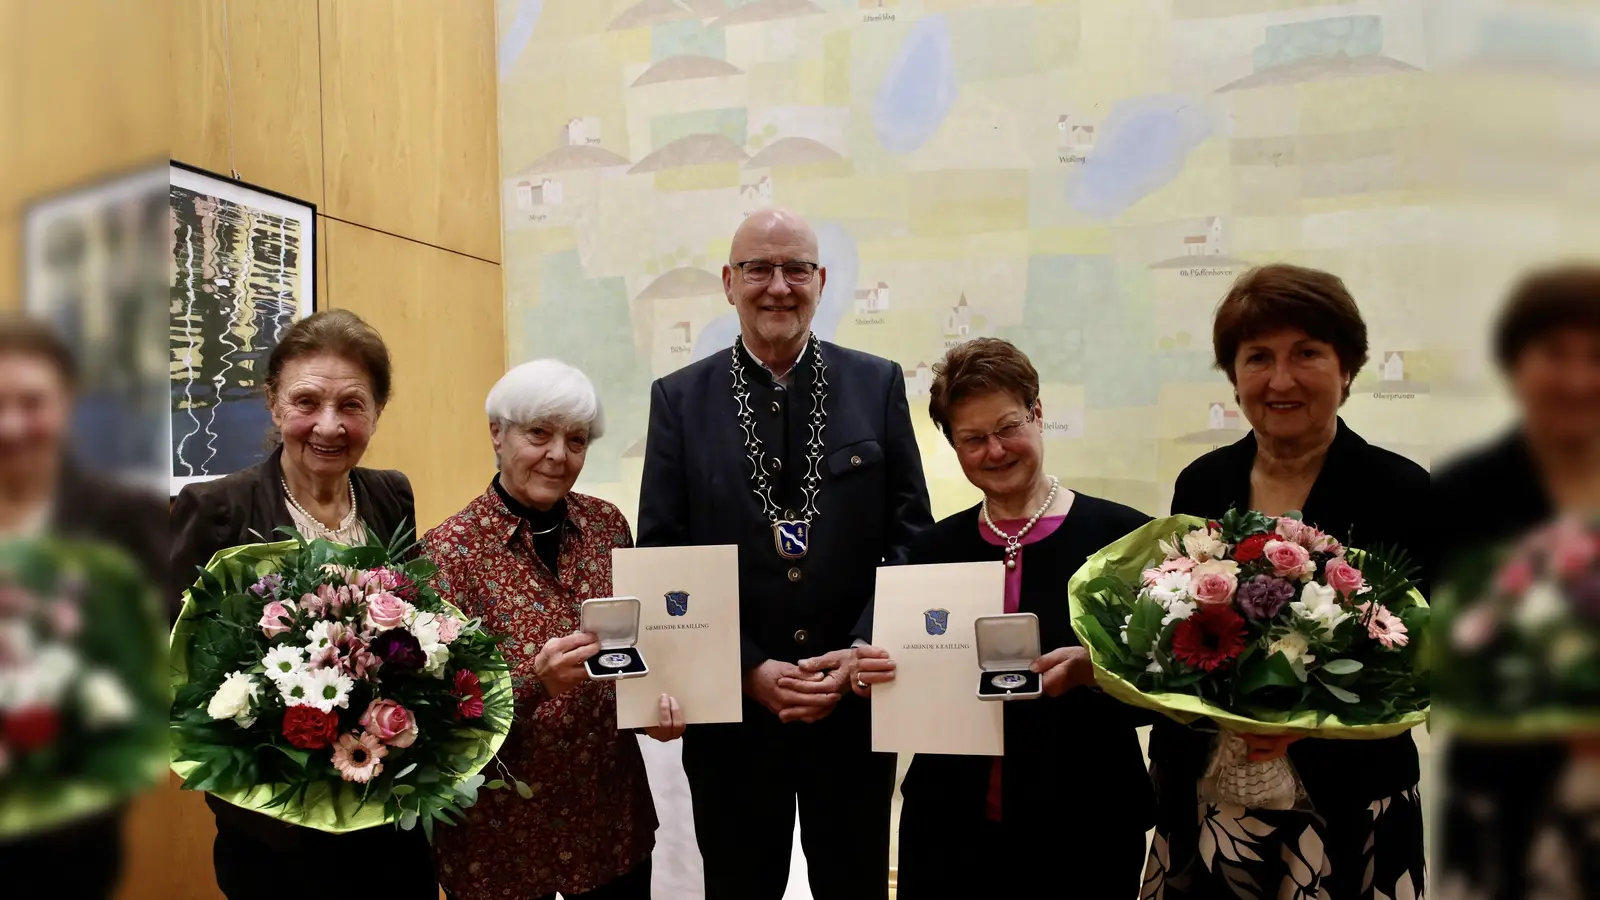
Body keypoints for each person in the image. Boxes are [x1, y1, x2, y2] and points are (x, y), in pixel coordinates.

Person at [636, 207, 933, 899]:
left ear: (820, 280)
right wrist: (745, 669)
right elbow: (664, 554)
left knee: (854, 883)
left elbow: (910, 537)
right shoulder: (679, 400)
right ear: (728, 282)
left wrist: (860, 648)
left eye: (795, 268)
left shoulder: (877, 383)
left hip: (854, 707)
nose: (778, 286)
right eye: (758, 269)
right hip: (735, 718)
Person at [1145, 264, 1429, 899]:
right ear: (1234, 375)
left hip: (1348, 799)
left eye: (1307, 353)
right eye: (1257, 357)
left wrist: (1315, 718)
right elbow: (1171, 622)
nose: (1281, 379)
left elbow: (1422, 659)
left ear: (1347, 366)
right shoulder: (1203, 483)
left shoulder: (1401, 490)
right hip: (1205, 795)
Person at [848, 338, 1156, 898]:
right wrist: (874, 673)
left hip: (1086, 826)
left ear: (1039, 414)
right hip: (949, 830)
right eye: (972, 439)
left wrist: (1098, 669)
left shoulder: (1123, 541)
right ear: (954, 446)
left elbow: (1164, 682)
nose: (994, 450)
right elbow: (901, 677)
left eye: (1008, 427)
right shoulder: (929, 551)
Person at [169, 309, 437, 900]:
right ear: (272, 403)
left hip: (388, 825)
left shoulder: (391, 494)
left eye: (352, 405)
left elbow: (418, 628)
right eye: (307, 401)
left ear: (377, 412)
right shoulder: (217, 509)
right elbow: (177, 676)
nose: (329, 425)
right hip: (275, 840)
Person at [425, 359, 686, 900]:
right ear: (497, 433)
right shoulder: (446, 551)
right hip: (501, 837)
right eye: (538, 433)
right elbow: (435, 716)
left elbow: (635, 651)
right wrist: (533, 684)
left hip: (608, 818)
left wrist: (656, 713)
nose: (558, 456)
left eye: (576, 440)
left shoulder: (607, 525)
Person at [1432, 262, 1600, 900]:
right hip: (1503, 804)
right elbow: (1428, 651)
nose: (1579, 378)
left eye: (1597, 357)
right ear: (1515, 364)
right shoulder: (1462, 493)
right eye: (1554, 354)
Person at [0, 313, 168, 900]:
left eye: (32, 402)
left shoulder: (128, 520)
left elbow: (155, 676)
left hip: (73, 841)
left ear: (67, 403)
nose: (12, 424)